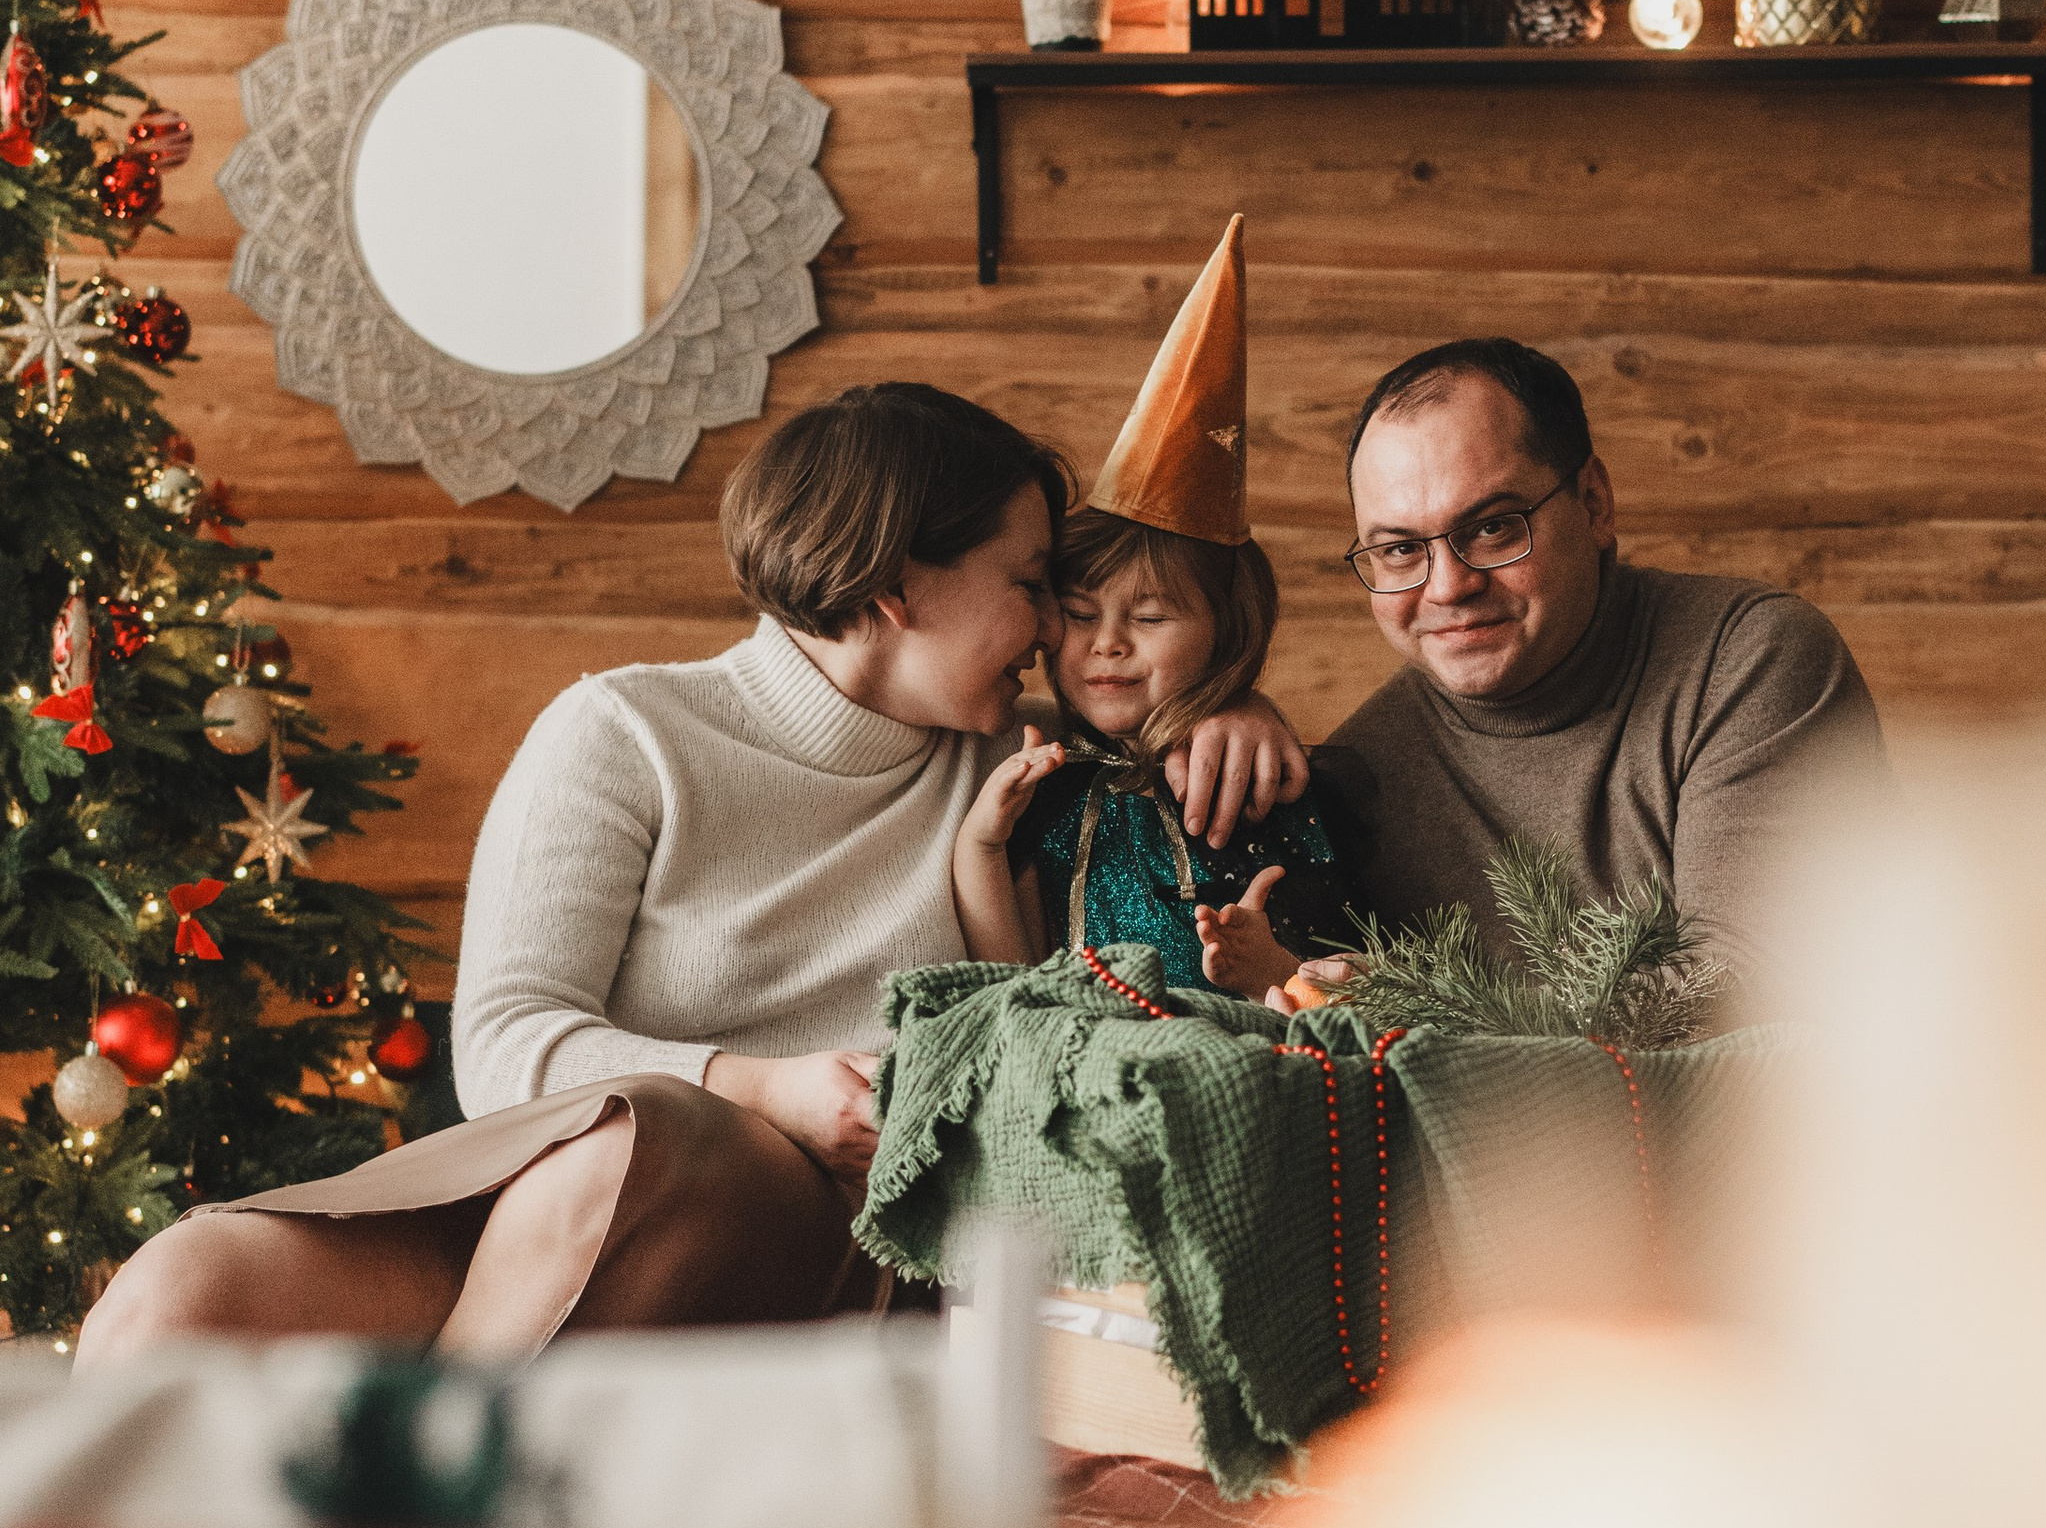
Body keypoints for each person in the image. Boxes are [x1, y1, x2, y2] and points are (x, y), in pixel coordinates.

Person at [77, 381, 1303, 1365]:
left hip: (815, 1222)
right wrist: (758, 1087)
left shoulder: (1018, 764)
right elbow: (503, 1046)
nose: (1053, 629)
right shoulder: (623, 734)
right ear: (894, 587)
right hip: (551, 1187)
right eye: (1030, 585)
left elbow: (1147, 743)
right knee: (183, 1293)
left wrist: (1228, 708)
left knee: (642, 1144)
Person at [1310, 335, 1883, 1010]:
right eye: (1401, 549)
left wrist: (1412, 1011)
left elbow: (1740, 998)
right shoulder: (1350, 776)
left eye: (1494, 527)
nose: (1447, 588)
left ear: (1593, 504)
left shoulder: (1748, 661)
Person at [954, 219, 1351, 995]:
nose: (1106, 644)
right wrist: (981, 846)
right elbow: (1009, 990)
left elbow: (1342, 987)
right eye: (1077, 610)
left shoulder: (1257, 790)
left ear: (1225, 633)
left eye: (1150, 619)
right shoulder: (1042, 786)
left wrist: (1268, 967)